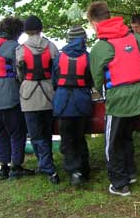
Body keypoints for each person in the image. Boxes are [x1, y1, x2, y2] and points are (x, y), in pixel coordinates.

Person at [87, 1, 140, 196]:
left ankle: (119, 184)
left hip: (118, 101)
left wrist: (104, 96)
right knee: (126, 136)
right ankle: (130, 172)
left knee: (112, 142)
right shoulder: (135, 37)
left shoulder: (100, 48)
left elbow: (97, 79)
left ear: (94, 23)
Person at [0, 16, 35, 180]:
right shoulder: (12, 46)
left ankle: (3, 168)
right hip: (8, 94)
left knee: (1, 133)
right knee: (17, 131)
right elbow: (22, 67)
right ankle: (16, 166)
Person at [15, 15, 60, 184]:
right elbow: (57, 70)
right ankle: (46, 164)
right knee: (47, 132)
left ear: (26, 31)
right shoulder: (51, 46)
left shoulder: (20, 49)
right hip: (49, 93)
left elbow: (20, 74)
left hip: (29, 95)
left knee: (35, 134)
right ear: (41, 29)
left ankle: (48, 167)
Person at [52, 25, 93, 186]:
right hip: (82, 102)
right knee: (80, 137)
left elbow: (55, 81)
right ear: (84, 40)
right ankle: (84, 170)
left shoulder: (59, 58)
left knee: (67, 139)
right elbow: (90, 81)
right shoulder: (88, 58)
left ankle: (74, 171)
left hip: (63, 103)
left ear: (69, 40)